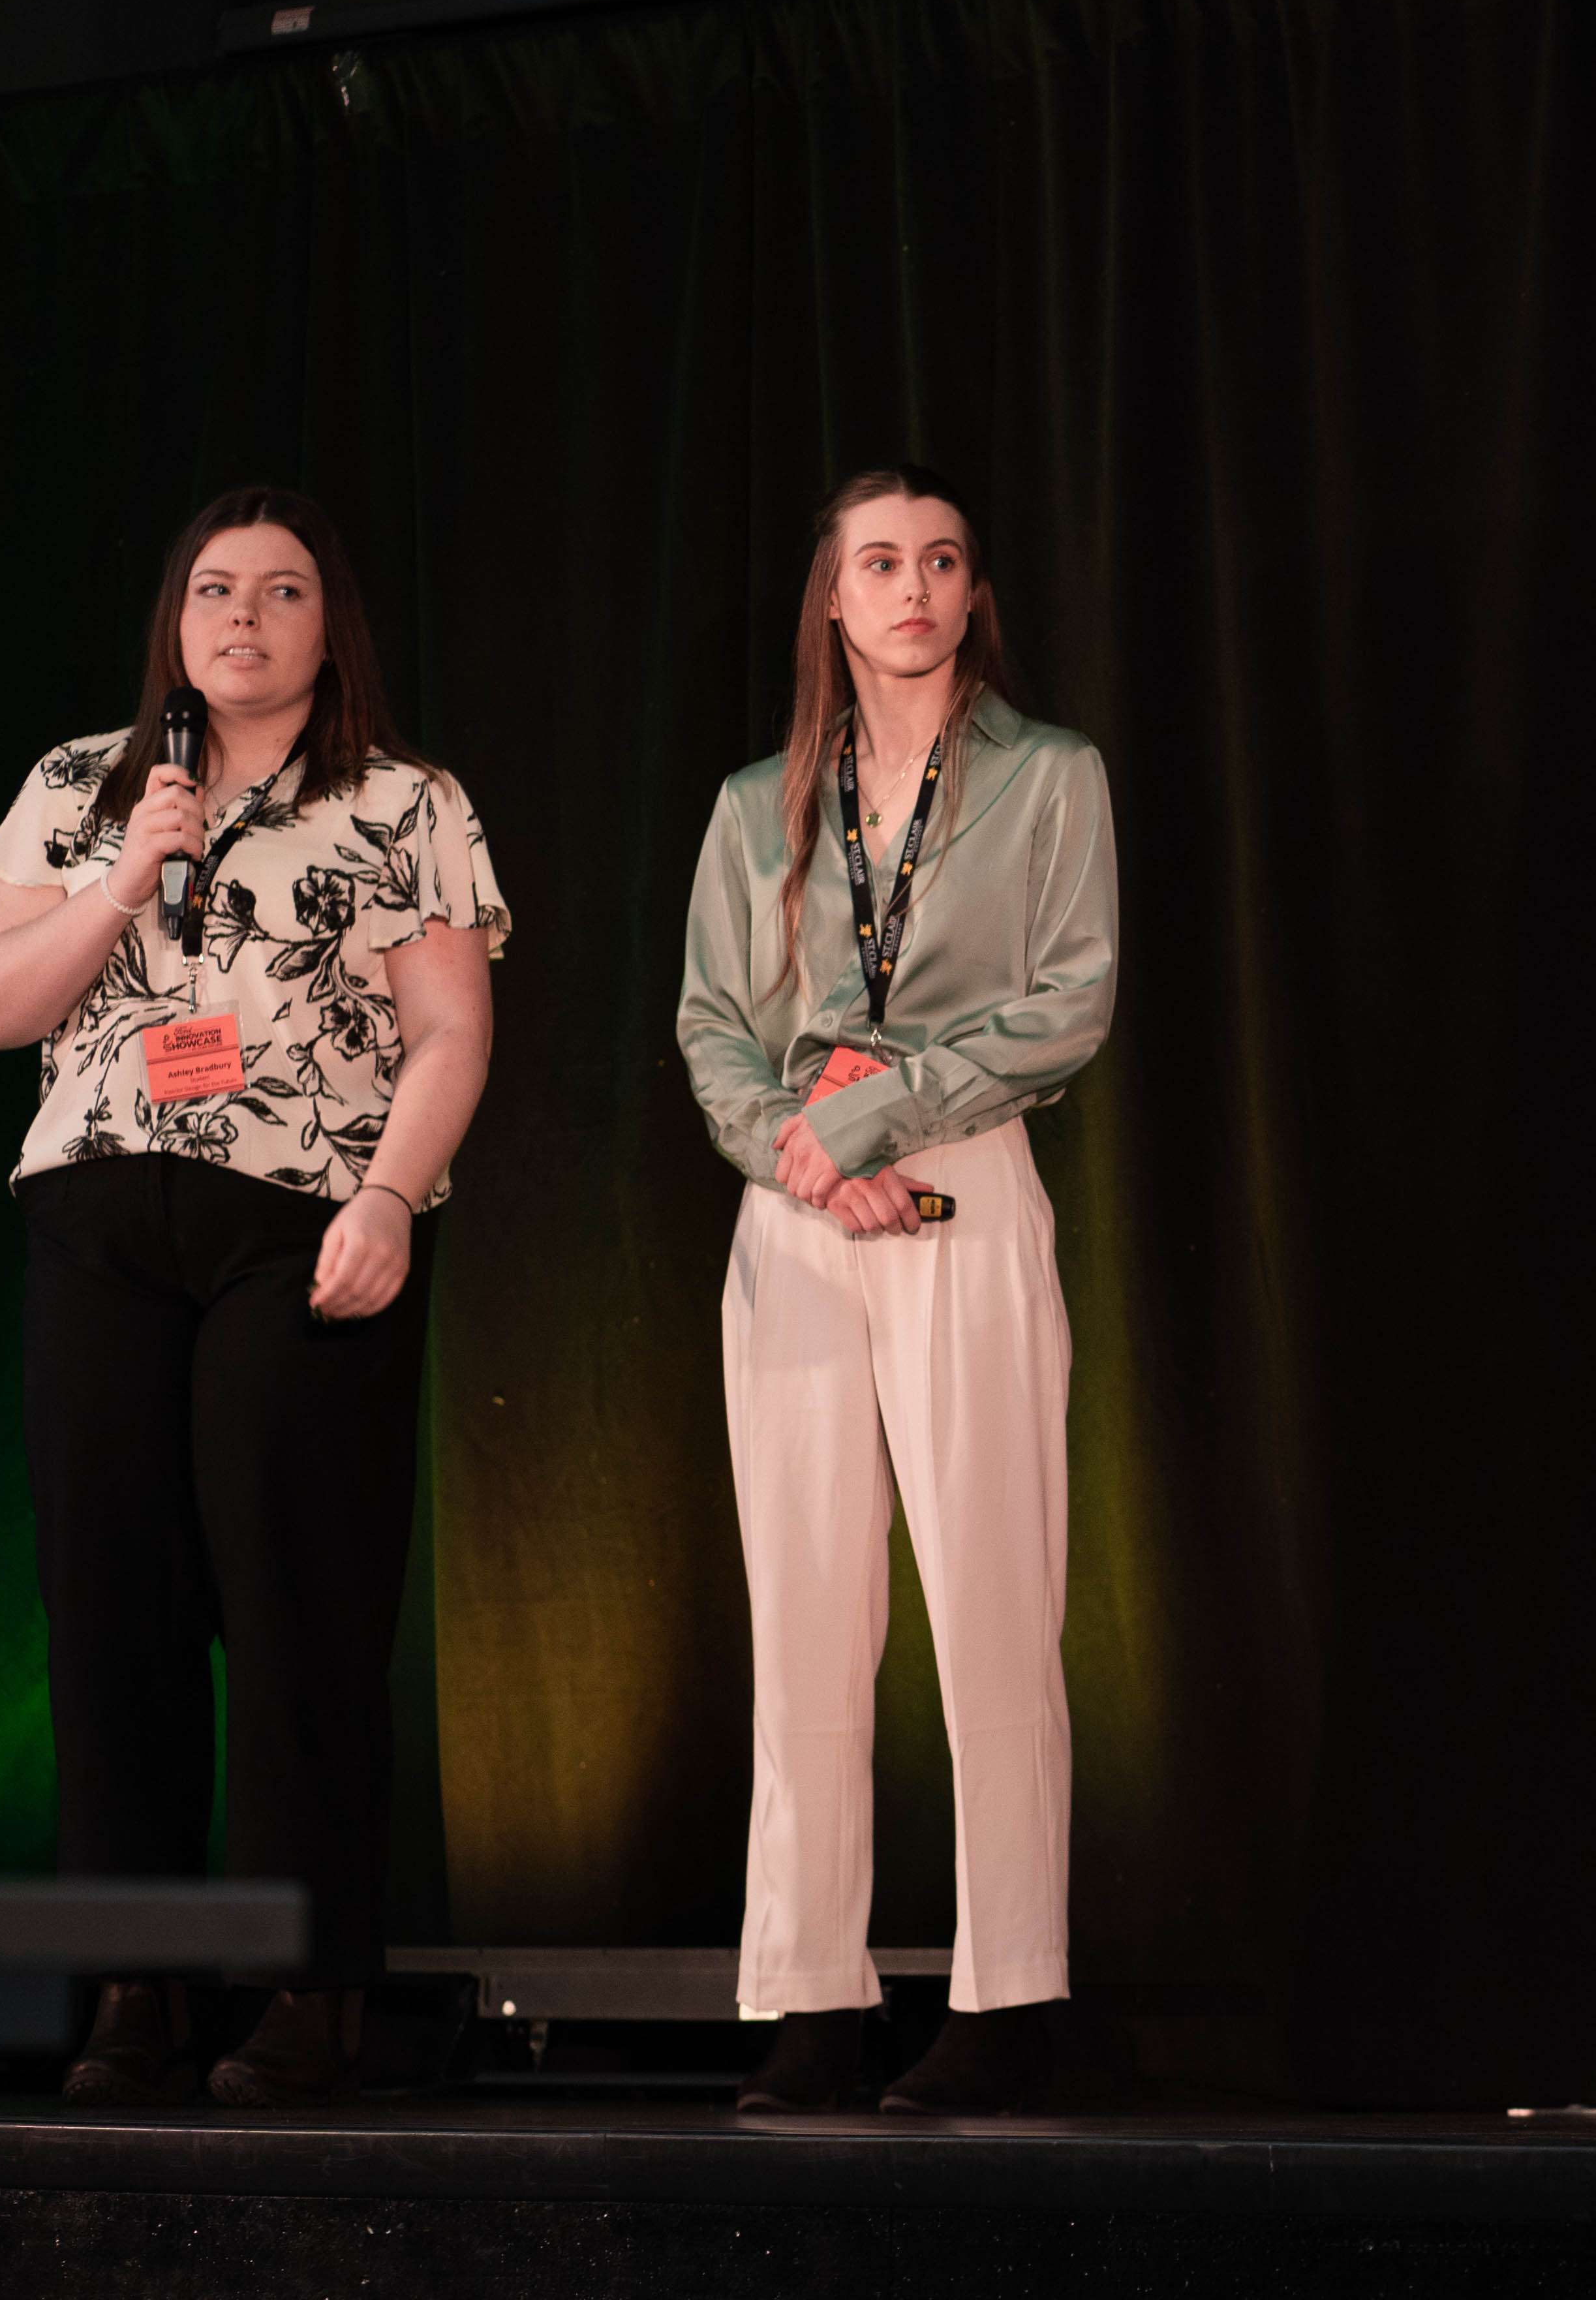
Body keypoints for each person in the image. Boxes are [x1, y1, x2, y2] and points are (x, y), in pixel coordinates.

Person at [0, 485, 507, 2108]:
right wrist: (122, 878)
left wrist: (391, 1196)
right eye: (214, 588)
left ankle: (305, 1990)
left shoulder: (403, 799)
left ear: (333, 626)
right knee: (107, 1604)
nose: (243, 616)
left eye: (281, 590)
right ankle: (138, 1982)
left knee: (295, 1596)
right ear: (174, 620)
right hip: (99, 1220)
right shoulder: (81, 784)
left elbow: (450, 1032)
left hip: (304, 1221)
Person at [675, 465, 1116, 2116]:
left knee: (996, 1603)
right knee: (801, 1617)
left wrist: (875, 1114)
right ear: (835, 597)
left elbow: (1070, 1001)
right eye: (880, 561)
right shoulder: (757, 804)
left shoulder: (1050, 776)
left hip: (961, 1183)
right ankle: (811, 1995)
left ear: (972, 591)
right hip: (794, 1210)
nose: (913, 585)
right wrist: (800, 1147)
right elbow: (714, 1022)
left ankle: (1010, 1998)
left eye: (941, 558)